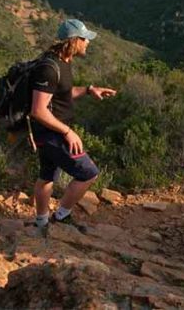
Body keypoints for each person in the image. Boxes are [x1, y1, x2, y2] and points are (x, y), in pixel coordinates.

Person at [30, 18, 117, 235]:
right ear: (74, 40)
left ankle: (41, 224)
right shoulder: (49, 68)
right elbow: (38, 110)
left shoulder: (63, 62)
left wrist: (89, 90)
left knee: (47, 176)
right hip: (52, 133)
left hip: (50, 132)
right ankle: (61, 216)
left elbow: (62, 95)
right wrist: (68, 132)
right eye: (85, 39)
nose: (88, 43)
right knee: (88, 173)